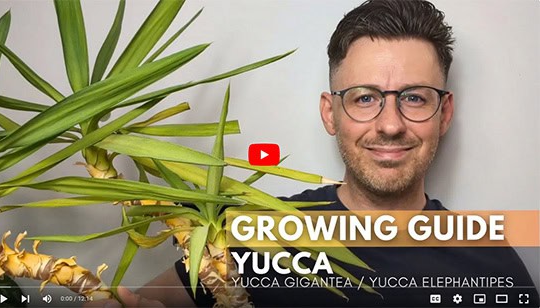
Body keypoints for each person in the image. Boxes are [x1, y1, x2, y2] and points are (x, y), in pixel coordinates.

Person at [88, 0, 539, 307]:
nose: (390, 123)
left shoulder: (491, 265)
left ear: (444, 113)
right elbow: (153, 298)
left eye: (415, 97)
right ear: (331, 113)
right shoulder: (256, 235)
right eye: (364, 97)